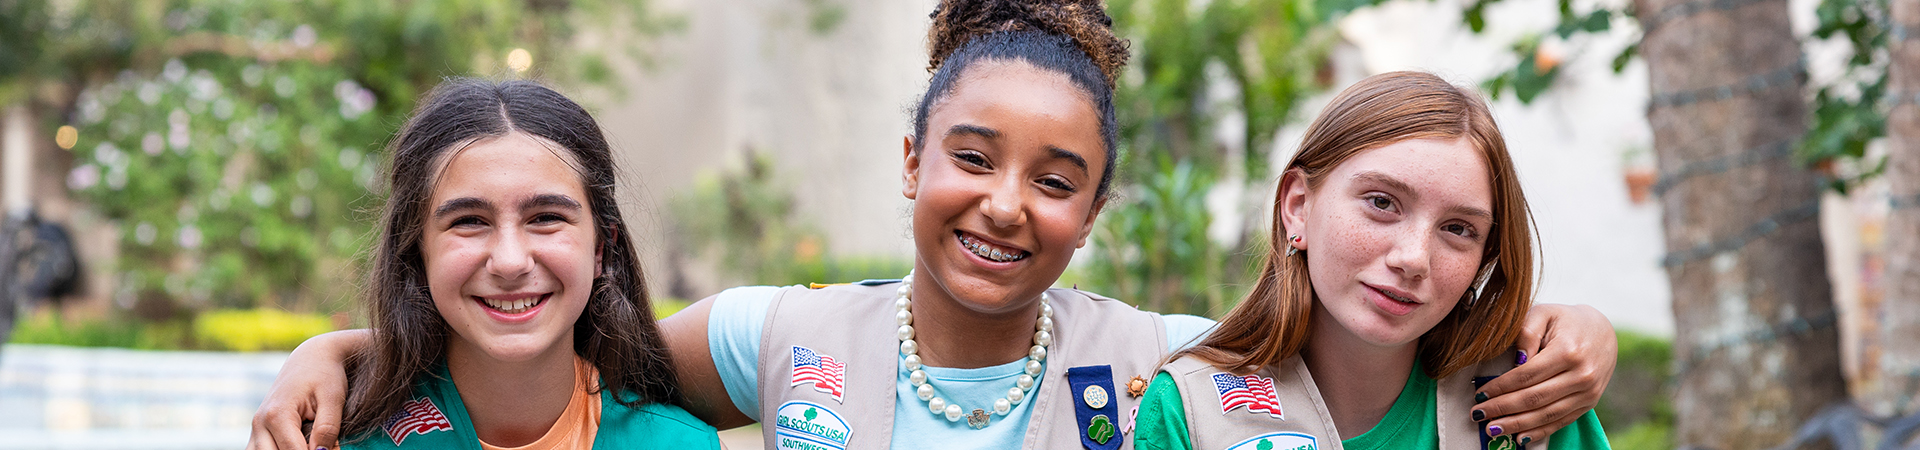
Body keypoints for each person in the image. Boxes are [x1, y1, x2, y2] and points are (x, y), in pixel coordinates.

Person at [250, 2, 1620, 449]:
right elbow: (560, 348)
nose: (1006, 205)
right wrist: (352, 343)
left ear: (1094, 205)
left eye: (1057, 177)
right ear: (912, 160)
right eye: (973, 156)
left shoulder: (1165, 369)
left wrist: (1569, 325)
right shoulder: (781, 336)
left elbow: (1349, 339)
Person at [1133, 72, 1611, 450]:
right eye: (1382, 202)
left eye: (1458, 229)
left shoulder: (1533, 394)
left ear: (1484, 257)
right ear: (1298, 205)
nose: (1413, 258)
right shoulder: (1190, 410)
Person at [290, 78, 717, 450]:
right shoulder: (334, 438)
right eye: (469, 221)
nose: (510, 262)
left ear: (601, 249)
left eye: (546, 218)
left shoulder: (678, 443)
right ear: (418, 253)